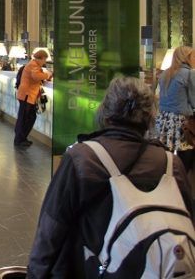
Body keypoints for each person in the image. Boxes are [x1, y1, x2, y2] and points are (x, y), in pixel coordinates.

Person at [27, 77, 193, 277]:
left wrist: (36, 274)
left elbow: (51, 229)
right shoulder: (170, 163)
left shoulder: (83, 158)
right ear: (150, 115)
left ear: (106, 110)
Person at [156, 45, 195, 170]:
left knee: (166, 159)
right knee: (185, 158)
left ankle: (167, 184)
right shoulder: (189, 74)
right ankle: (181, 184)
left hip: (163, 120)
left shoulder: (165, 74)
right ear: (186, 57)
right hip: (182, 122)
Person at [14, 50, 53, 147]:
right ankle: (19, 140)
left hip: (27, 96)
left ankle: (22, 138)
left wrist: (46, 75)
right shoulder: (33, 65)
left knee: (29, 117)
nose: (45, 62)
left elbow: (37, 78)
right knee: (24, 118)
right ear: (41, 58)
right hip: (26, 95)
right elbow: (36, 76)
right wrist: (48, 74)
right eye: (44, 60)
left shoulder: (34, 65)